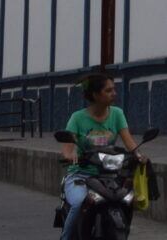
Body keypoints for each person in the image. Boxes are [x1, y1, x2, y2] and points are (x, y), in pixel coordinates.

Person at [59, 70, 139, 240]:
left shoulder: (117, 114)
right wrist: (70, 155)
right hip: (81, 174)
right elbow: (67, 148)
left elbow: (129, 142)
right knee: (79, 203)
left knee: (127, 200)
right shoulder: (77, 118)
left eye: (114, 89)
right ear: (95, 94)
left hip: (110, 175)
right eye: (108, 90)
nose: (114, 94)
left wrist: (139, 155)